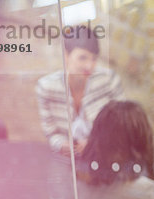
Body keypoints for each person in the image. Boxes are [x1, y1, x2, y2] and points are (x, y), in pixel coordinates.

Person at [36, 25, 124, 156]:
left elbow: (123, 125)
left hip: (105, 156)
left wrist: (94, 143)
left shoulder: (109, 80)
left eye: (94, 59)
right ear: (65, 55)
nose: (89, 66)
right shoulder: (46, 87)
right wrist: (61, 145)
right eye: (82, 58)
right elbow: (52, 133)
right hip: (67, 160)